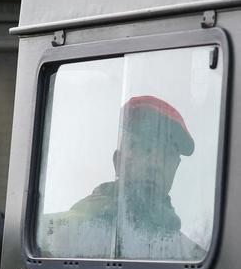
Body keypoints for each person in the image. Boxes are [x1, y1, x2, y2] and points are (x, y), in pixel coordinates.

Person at [39, 95, 203, 260]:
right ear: (118, 162)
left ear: (176, 168)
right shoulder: (51, 236)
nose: (156, 164)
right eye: (144, 146)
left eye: (168, 153)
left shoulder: (193, 258)